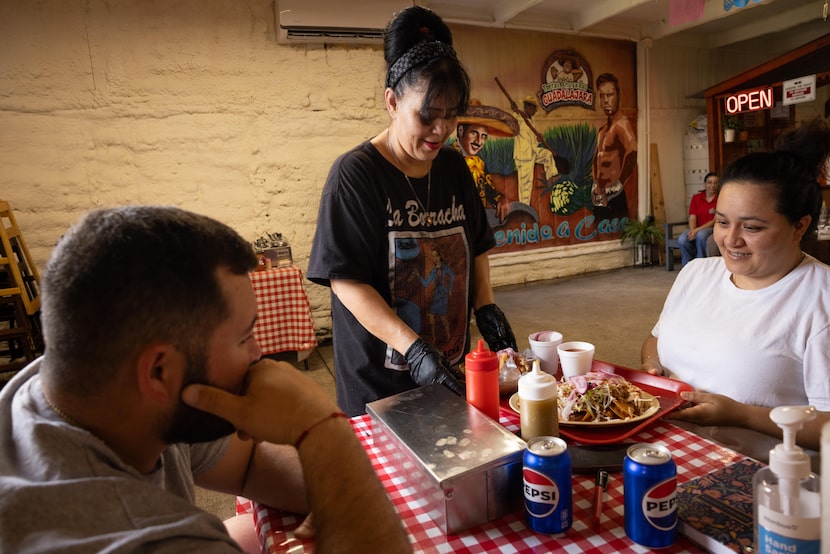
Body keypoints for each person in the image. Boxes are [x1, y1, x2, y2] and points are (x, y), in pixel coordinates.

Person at [0, 206, 410, 553]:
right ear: (159, 372)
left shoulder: (78, 390)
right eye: (246, 337)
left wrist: (337, 496)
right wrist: (323, 429)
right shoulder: (144, 538)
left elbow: (248, 463)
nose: (258, 356)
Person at [307, 6, 517, 417]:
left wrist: (486, 308)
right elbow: (345, 281)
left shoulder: (453, 166)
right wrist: (414, 350)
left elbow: (474, 246)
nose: (440, 130)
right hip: (380, 388)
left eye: (451, 115)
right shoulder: (356, 174)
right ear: (392, 101)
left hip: (451, 372)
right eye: (427, 115)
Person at [641, 119, 830, 459]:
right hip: (671, 453)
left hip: (763, 481)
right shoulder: (697, 274)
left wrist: (743, 415)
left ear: (799, 226)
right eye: (723, 221)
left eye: (753, 227)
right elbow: (656, 340)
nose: (730, 240)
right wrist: (655, 371)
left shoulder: (820, 297)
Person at [454, 100, 519, 222]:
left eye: (484, 136)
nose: (479, 141)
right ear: (461, 131)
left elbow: (490, 193)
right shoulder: (447, 158)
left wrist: (500, 199)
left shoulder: (480, 164)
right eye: (474, 133)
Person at [591, 73, 637, 221]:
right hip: (600, 194)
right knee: (599, 234)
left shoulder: (622, 124)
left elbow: (632, 153)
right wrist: (595, 186)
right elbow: (596, 159)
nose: (606, 101)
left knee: (616, 233)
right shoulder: (602, 130)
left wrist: (618, 185)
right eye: (602, 96)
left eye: (610, 95)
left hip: (614, 194)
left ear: (618, 95)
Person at [509, 95, 559, 205]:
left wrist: (539, 139)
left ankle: (551, 177)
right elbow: (512, 122)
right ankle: (524, 207)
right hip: (524, 156)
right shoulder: (518, 118)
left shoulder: (531, 121)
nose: (535, 111)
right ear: (527, 107)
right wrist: (514, 110)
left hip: (533, 152)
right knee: (526, 184)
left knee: (547, 154)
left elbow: (533, 142)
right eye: (533, 108)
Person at [677, 171, 720, 266]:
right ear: (704, 184)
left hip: (711, 228)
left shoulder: (720, 199)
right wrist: (692, 230)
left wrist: (696, 230)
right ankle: (687, 265)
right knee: (682, 239)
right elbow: (692, 217)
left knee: (700, 235)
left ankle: (701, 263)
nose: (712, 185)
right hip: (696, 228)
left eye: (715, 183)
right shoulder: (696, 198)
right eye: (709, 182)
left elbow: (714, 221)